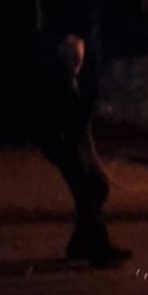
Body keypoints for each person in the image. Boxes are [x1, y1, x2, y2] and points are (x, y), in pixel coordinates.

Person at [35, 31, 131, 267]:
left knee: (97, 187)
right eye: (74, 57)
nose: (78, 61)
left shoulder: (68, 76)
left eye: (80, 56)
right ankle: (99, 250)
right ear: (64, 56)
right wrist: (93, 107)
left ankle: (80, 243)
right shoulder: (58, 79)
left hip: (70, 144)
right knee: (88, 192)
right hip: (62, 145)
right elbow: (71, 116)